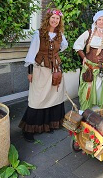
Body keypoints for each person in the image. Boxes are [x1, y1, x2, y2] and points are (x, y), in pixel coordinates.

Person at [18, 8, 68, 142]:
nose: (55, 20)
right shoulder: (38, 34)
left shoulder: (60, 35)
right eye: (53, 18)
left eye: (57, 19)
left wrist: (54, 56)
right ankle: (28, 129)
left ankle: (49, 125)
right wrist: (30, 71)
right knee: (37, 98)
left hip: (55, 70)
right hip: (40, 69)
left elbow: (63, 47)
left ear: (60, 21)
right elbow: (31, 53)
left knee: (54, 97)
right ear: (48, 19)